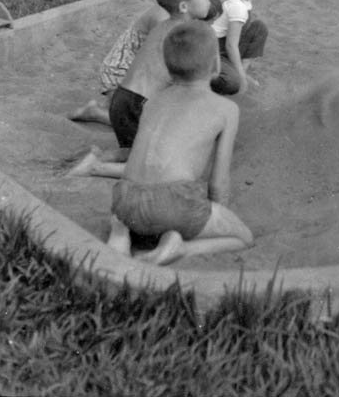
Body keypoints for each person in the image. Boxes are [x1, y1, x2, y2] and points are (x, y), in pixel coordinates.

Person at [107, 20, 254, 266]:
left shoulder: (153, 100)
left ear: (167, 66)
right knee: (244, 237)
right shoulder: (226, 109)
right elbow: (218, 182)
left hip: (125, 200)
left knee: (139, 211)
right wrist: (215, 212)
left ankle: (120, 234)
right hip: (174, 204)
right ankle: (180, 248)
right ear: (217, 65)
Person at [68, 0, 217, 177]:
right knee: (159, 164)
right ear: (184, 7)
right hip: (141, 104)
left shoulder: (162, 26)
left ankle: (100, 156)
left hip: (122, 99)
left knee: (137, 149)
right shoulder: (186, 34)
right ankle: (97, 168)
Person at [68, 0, 221, 126]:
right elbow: (165, 65)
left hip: (140, 77)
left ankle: (111, 106)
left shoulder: (176, 11)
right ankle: (96, 113)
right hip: (120, 73)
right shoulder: (162, 19)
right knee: (147, 121)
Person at [210, 0, 269, 96]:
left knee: (259, 28)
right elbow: (231, 45)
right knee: (232, 83)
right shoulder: (238, 7)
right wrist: (241, 79)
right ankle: (239, 75)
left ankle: (240, 69)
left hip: (221, 44)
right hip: (215, 51)